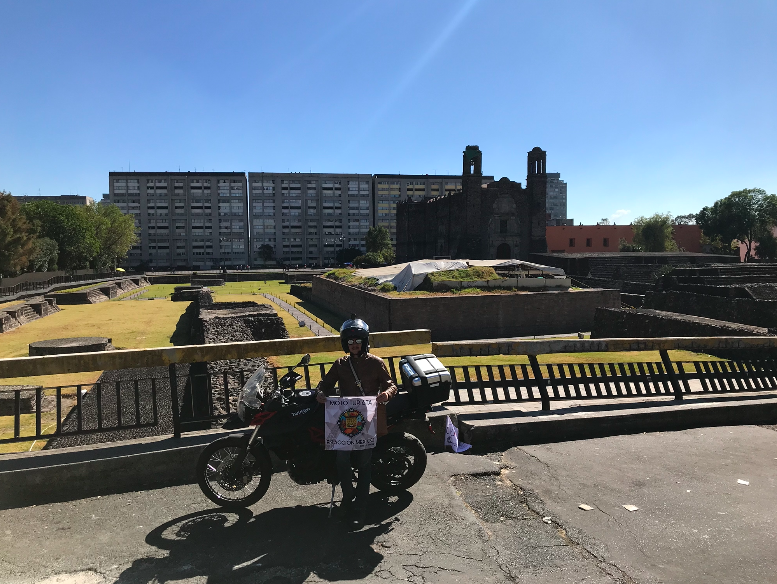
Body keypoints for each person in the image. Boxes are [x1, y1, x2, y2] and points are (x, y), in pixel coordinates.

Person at [316, 317, 397, 528]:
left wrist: (385, 395)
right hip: (345, 421)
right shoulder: (340, 364)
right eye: (350, 341)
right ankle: (347, 496)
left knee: (363, 463)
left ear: (364, 342)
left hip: (367, 420)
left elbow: (391, 385)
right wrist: (320, 395)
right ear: (345, 344)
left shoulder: (376, 363)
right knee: (342, 461)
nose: (354, 345)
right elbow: (324, 384)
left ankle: (360, 505)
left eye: (358, 341)